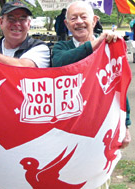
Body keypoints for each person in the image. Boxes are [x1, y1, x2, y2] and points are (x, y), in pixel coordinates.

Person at [52, 1, 131, 188]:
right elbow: (60, 63)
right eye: (73, 18)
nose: (79, 22)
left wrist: (126, 124)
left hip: (101, 126)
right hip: (69, 128)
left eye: (83, 16)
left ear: (94, 20)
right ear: (67, 24)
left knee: (98, 177)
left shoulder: (110, 46)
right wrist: (94, 44)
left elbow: (119, 86)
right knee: (70, 176)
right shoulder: (60, 48)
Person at [0, 1, 50, 68]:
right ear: (1, 22)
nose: (17, 23)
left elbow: (24, 67)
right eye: (11, 18)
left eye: (22, 19)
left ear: (28, 24)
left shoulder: (40, 48)